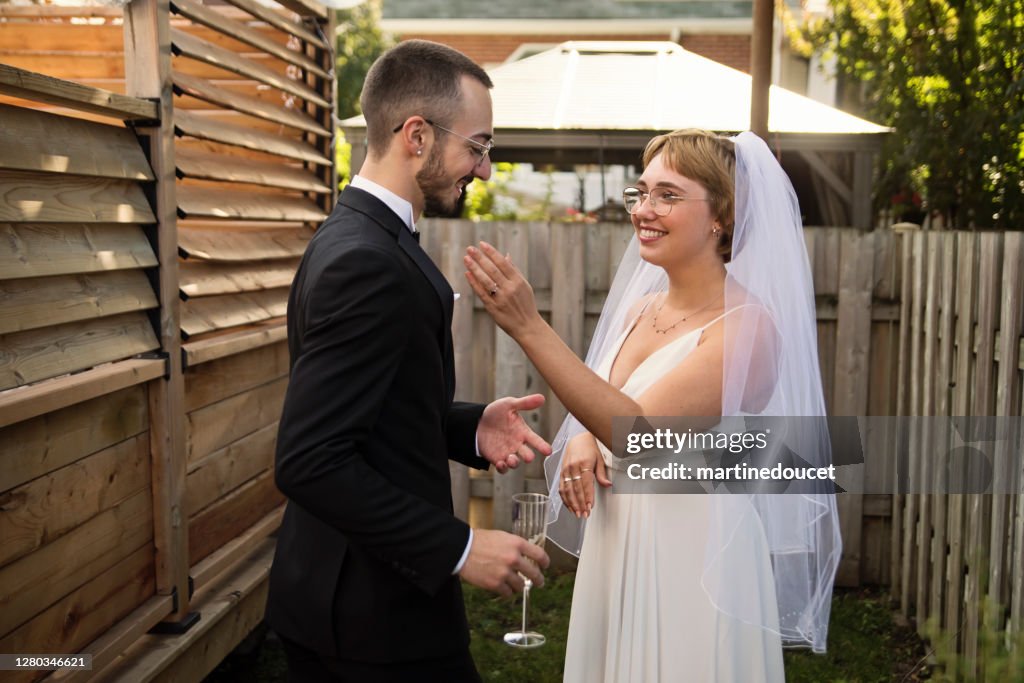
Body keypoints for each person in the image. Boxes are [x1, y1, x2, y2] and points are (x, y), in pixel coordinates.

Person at [465, 129, 841, 682]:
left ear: (723, 216)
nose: (645, 209)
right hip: (618, 541)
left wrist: (529, 326)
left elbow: (632, 428)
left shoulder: (749, 330)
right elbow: (602, 407)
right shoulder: (641, 309)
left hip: (693, 557)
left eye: (668, 195)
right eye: (640, 193)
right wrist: (582, 439)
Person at [267, 40, 552, 683]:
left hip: (352, 598)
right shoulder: (367, 261)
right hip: (370, 617)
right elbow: (311, 458)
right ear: (417, 136)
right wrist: (459, 546)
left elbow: (364, 411)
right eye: (477, 147)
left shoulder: (358, 235)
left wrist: (467, 427)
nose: (483, 169)